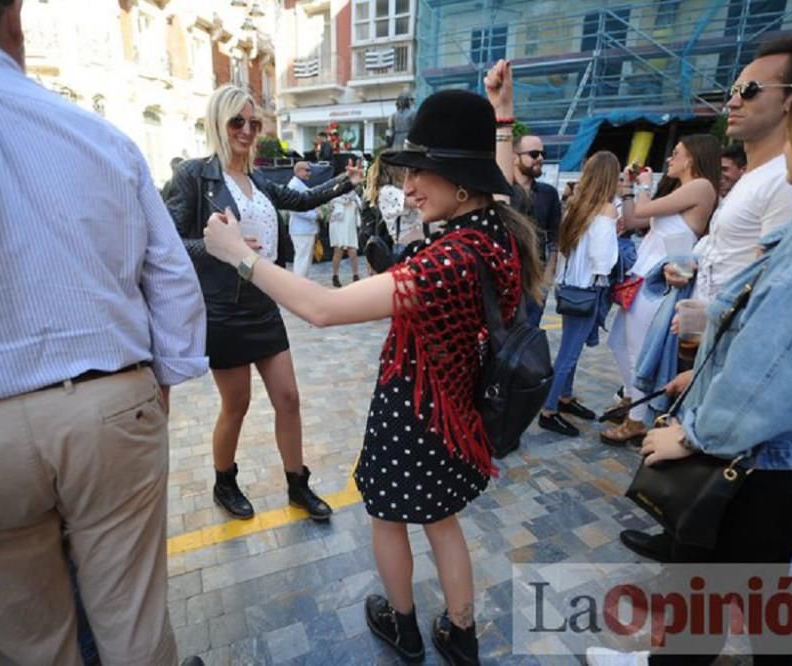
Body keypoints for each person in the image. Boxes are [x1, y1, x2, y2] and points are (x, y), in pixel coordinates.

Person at [0, 2, 209, 664]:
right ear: (15, 9)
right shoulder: (96, 133)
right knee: (139, 636)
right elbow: (172, 287)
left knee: (27, 653)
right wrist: (152, 388)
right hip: (109, 404)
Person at [201, 60, 542, 666]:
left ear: (461, 180)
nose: (408, 186)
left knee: (388, 519)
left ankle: (402, 625)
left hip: (412, 411)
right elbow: (506, 176)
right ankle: (460, 634)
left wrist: (238, 256)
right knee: (443, 521)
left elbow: (325, 308)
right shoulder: (503, 232)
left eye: (420, 172)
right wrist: (502, 112)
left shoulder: (447, 262)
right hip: (458, 411)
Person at [590, 58, 792, 666]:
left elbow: (779, 371)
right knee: (766, 600)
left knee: (703, 590)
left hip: (779, 463)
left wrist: (693, 434)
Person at [619, 37, 792, 563]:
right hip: (714, 345)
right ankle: (679, 540)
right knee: (708, 512)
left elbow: (778, 309)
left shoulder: (788, 181)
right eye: (734, 88)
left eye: (749, 89)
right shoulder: (761, 178)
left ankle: (684, 625)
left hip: (741, 367)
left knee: (734, 517)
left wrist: (702, 416)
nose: (732, 100)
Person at [165, 85, 363, 522]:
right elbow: (169, 243)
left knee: (288, 398)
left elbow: (302, 199)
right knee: (236, 405)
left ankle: (297, 485)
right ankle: (225, 481)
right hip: (223, 311)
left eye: (253, 123)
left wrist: (343, 182)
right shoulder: (195, 177)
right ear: (218, 121)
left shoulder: (257, 180)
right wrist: (220, 247)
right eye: (237, 121)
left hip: (263, 305)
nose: (247, 130)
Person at [601, 135, 720, 446]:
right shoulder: (682, 189)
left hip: (662, 283)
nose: (669, 159)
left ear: (692, 157)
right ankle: (632, 401)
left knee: (639, 349)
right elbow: (631, 218)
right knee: (619, 343)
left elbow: (641, 211)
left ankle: (637, 420)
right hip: (644, 277)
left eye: (676, 153)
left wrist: (641, 185)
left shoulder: (702, 186)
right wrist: (628, 187)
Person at [537, 151, 620, 437]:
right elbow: (604, 259)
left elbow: (563, 250)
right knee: (569, 353)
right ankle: (549, 410)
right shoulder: (605, 210)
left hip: (571, 286)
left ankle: (565, 397)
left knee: (571, 349)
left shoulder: (575, 206)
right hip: (588, 288)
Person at [511, 133, 562, 326]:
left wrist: (546, 280)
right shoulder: (501, 193)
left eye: (542, 153)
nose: (540, 158)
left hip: (535, 282)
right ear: (515, 157)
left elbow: (556, 239)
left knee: (528, 339)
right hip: (503, 280)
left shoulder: (548, 194)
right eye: (534, 154)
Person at [286, 161, 318, 278]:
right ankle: (298, 285)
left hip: (305, 228)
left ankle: (302, 283)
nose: (309, 173)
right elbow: (296, 209)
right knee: (302, 260)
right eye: (306, 170)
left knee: (305, 259)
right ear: (298, 171)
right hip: (301, 229)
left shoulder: (299, 184)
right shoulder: (294, 185)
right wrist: (315, 215)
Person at [328, 189, 362, 286]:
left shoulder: (355, 197)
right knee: (338, 251)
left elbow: (360, 207)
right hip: (339, 226)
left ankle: (356, 275)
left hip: (350, 227)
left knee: (353, 252)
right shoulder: (335, 196)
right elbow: (331, 210)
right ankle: (335, 276)